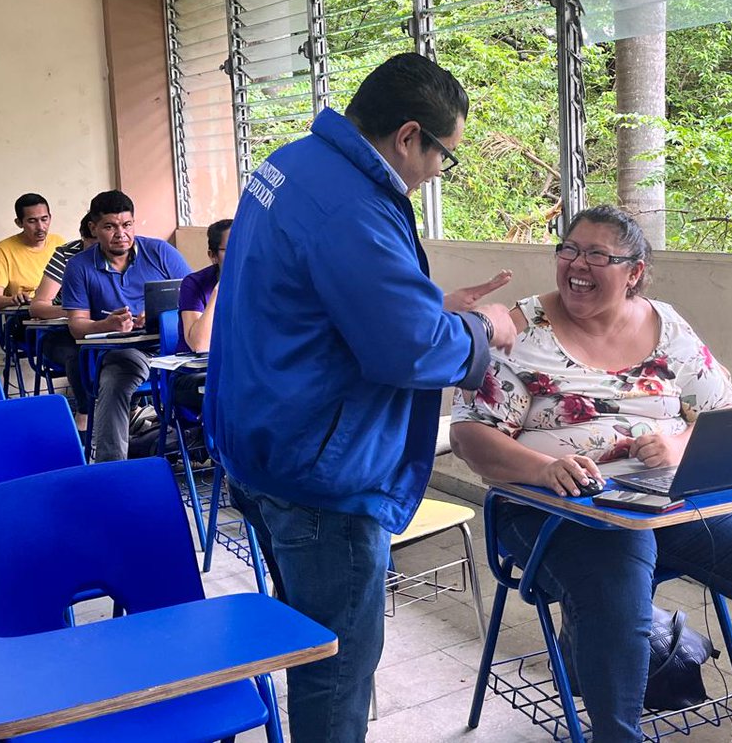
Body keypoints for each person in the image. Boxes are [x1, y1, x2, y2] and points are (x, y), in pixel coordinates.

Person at [206, 52, 518, 742]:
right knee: (338, 664)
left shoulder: (293, 164)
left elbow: (314, 295)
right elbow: (408, 351)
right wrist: (481, 329)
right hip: (323, 476)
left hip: (262, 444)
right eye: (445, 155)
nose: (441, 170)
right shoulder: (355, 205)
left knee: (310, 638)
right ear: (409, 136)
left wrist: (426, 302)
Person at [450, 204, 732, 743]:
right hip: (548, 509)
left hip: (661, 503)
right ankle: (616, 736)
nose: (579, 264)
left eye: (599, 255)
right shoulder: (520, 331)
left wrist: (678, 442)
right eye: (569, 250)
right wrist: (546, 468)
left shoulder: (669, 326)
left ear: (634, 271)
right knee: (618, 580)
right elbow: (469, 436)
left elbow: (722, 416)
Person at [60, 190, 191, 462]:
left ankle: (214, 455)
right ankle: (113, 469)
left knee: (215, 374)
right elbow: (77, 326)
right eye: (110, 226)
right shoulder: (79, 266)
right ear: (93, 228)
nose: (120, 233)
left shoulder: (160, 252)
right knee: (116, 382)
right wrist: (105, 324)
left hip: (175, 348)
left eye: (126, 225)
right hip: (125, 352)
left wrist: (162, 315)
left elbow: (195, 300)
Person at [30, 212, 98, 426]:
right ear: (83, 238)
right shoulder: (67, 255)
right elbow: (38, 307)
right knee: (80, 355)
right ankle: (84, 421)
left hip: (105, 334)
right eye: (92, 247)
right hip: (61, 335)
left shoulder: (124, 253)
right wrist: (75, 310)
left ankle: (132, 413)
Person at [172, 218, 231, 413]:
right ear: (213, 256)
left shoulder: (259, 282)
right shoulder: (194, 284)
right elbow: (199, 345)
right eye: (228, 249)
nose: (238, 256)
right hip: (193, 375)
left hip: (235, 370)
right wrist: (218, 292)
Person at [0, 193, 65, 309]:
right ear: (19, 223)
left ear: (50, 217)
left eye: (44, 219)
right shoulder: (3, 249)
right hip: (25, 313)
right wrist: (14, 299)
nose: (40, 227)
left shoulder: (58, 242)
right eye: (32, 221)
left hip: (58, 309)